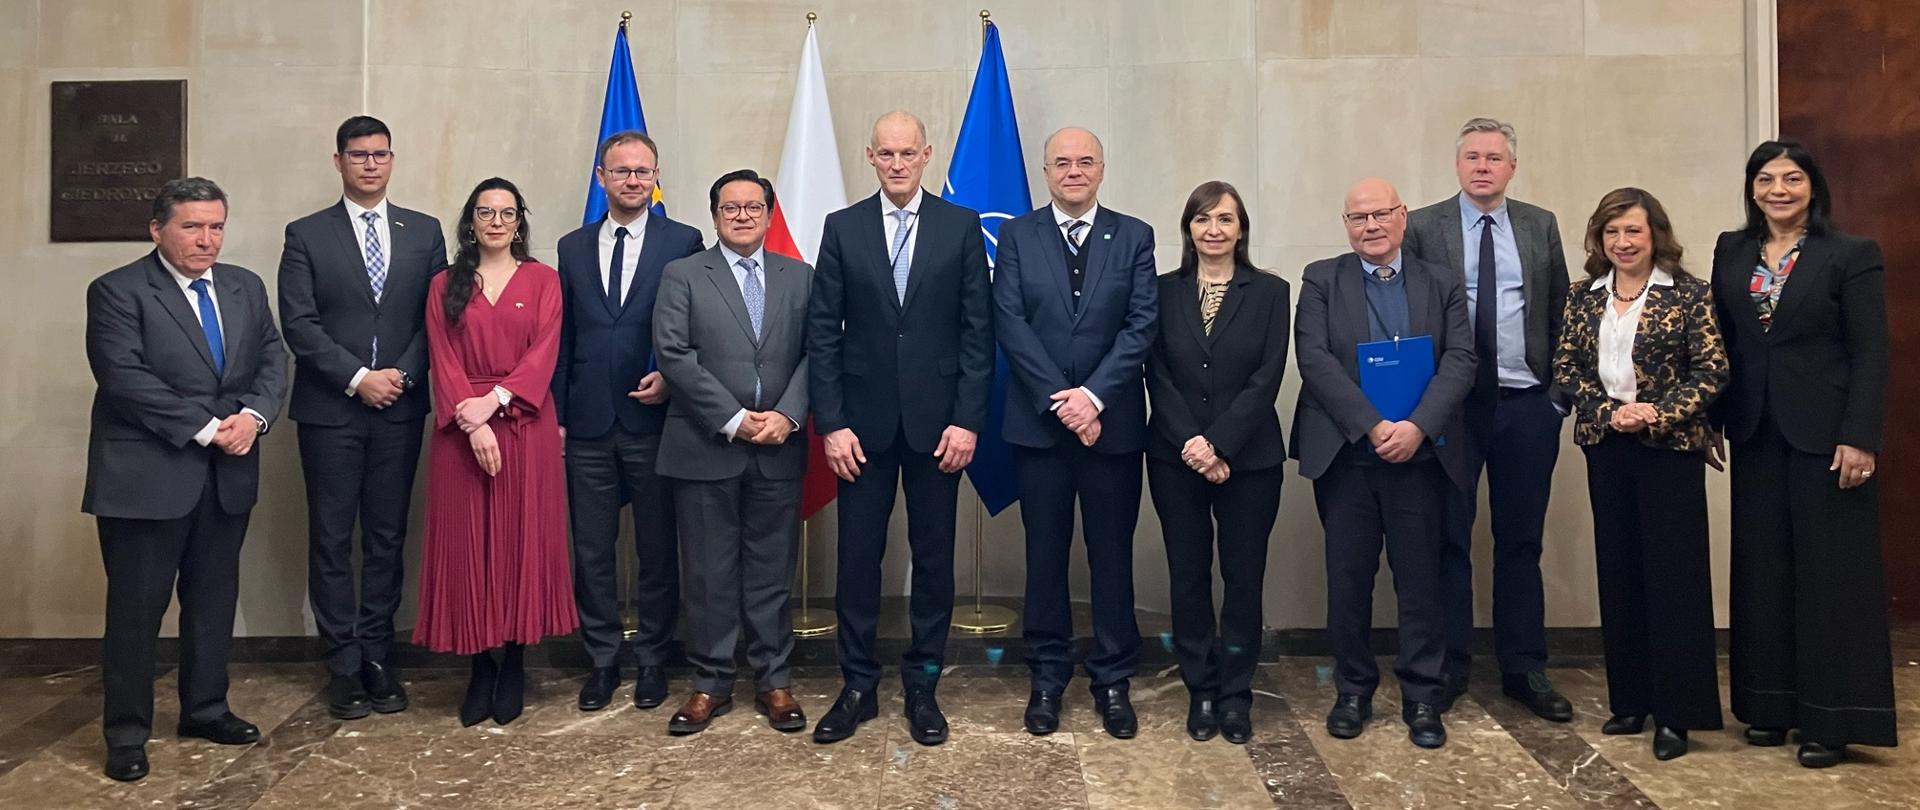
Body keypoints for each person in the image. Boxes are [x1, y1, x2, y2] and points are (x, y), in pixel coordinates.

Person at [83, 177, 288, 781]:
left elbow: (273, 359)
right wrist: (208, 428)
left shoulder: (246, 287)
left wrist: (253, 417)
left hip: (227, 475)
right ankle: (126, 733)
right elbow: (124, 377)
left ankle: (205, 709)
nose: (207, 239)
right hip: (146, 478)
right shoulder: (119, 290)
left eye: (217, 226)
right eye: (192, 226)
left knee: (212, 603)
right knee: (136, 612)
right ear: (157, 229)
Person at [807, 112, 993, 746]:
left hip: (940, 430)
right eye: (884, 153)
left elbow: (978, 334)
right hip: (861, 430)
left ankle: (923, 686)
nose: (895, 163)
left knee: (934, 561)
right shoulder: (842, 227)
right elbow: (822, 334)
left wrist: (968, 420)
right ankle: (858, 684)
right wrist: (830, 424)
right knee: (858, 561)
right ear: (870, 155)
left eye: (906, 153)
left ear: (927, 155)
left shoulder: (960, 226)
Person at [1711, 140, 1896, 768]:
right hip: (1756, 432)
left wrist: (1861, 436)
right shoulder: (1731, 250)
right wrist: (1712, 419)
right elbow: (1723, 342)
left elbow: (1871, 352)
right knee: (1762, 572)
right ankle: (1769, 707)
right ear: (1752, 188)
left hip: (1828, 436)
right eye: (1766, 179)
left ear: (1813, 187)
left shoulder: (1851, 254)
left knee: (1829, 578)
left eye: (1792, 178)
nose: (1778, 190)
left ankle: (1831, 720)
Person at [1291, 178, 1474, 750]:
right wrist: (1373, 425)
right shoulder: (1322, 278)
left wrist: (1417, 427)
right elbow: (1314, 359)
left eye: (1380, 214)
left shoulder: (1440, 281)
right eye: (1357, 217)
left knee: (1420, 579)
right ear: (1346, 226)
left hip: (1419, 455)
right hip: (1348, 455)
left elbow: (1462, 358)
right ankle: (1352, 689)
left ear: (1402, 218)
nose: (1370, 226)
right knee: (1348, 578)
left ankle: (1422, 693)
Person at [278, 115, 446, 721]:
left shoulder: (424, 232)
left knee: (386, 537)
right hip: (331, 411)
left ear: (392, 160)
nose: (370, 164)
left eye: (379, 154)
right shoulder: (306, 234)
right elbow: (298, 323)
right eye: (358, 155)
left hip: (399, 409)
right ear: (339, 161)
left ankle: (378, 655)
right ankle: (343, 664)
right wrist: (357, 379)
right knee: (329, 539)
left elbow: (439, 319)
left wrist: (398, 377)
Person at [1403, 118, 1571, 719]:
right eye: (1472, 156)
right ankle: (1449, 665)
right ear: (1457, 166)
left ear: (1511, 167)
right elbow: (1413, 317)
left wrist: (1557, 398)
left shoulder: (1538, 224)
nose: (1482, 166)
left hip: (1526, 405)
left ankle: (1524, 668)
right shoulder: (1422, 226)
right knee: (1448, 537)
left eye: (1494, 157)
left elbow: (1561, 314)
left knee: (1520, 541)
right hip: (1452, 408)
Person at [994, 127, 1157, 740]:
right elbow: (1008, 319)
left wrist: (1093, 398)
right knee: (1045, 556)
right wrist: (1061, 402)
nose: (1073, 171)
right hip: (1039, 428)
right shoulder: (1016, 234)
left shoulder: (1135, 235)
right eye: (1061, 162)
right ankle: (1047, 675)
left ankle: (1112, 678)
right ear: (1045, 170)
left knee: (1111, 556)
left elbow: (1141, 325)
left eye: (1085, 161)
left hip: (1110, 428)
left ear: (1103, 169)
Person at [1555, 188, 1727, 761]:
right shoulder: (1584, 297)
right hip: (1607, 446)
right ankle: (1630, 701)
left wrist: (1656, 412)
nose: (1622, 242)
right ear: (1599, 240)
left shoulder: (1689, 295)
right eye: (1611, 233)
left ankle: (1677, 714)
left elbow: (1711, 370)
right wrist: (1610, 411)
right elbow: (1568, 367)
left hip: (1668, 449)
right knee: (1620, 572)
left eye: (1633, 231)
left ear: (1655, 233)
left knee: (1674, 580)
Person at [653, 170, 813, 736]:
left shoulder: (801, 276)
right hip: (703, 446)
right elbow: (674, 354)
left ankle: (773, 680)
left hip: (778, 447)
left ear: (770, 214)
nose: (742, 216)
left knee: (772, 572)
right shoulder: (682, 275)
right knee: (707, 572)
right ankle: (709, 683)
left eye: (753, 207)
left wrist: (788, 416)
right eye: (730, 207)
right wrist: (734, 419)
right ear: (714, 214)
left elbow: (817, 353)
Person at [553, 130, 705, 713]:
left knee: (657, 550)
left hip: (656, 418)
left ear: (656, 175)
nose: (633, 180)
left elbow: (695, 326)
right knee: (591, 550)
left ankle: (652, 661)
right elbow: (563, 339)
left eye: (643, 171)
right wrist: (560, 418)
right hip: (587, 421)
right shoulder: (571, 246)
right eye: (621, 172)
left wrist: (672, 377)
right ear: (601, 177)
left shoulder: (684, 240)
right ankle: (601, 661)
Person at [416, 177, 576, 727]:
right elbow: (442, 357)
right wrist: (472, 418)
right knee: (471, 544)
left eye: (508, 212)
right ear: (471, 220)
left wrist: (496, 404)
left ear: (519, 221)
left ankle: (514, 662)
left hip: (524, 425)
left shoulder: (545, 280)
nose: (497, 221)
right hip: (461, 432)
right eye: (486, 211)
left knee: (518, 540)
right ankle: (480, 663)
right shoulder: (443, 284)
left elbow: (545, 353)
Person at [1144, 181, 1289, 745]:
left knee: (1243, 578)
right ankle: (1200, 690)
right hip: (1175, 458)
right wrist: (1193, 446)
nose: (1213, 230)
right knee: (1187, 577)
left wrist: (1221, 446)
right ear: (1188, 229)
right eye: (1202, 219)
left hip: (1249, 462)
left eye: (1225, 219)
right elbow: (1155, 370)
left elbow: (1267, 377)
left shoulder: (1272, 292)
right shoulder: (1160, 292)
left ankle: (1235, 694)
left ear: (1241, 228)